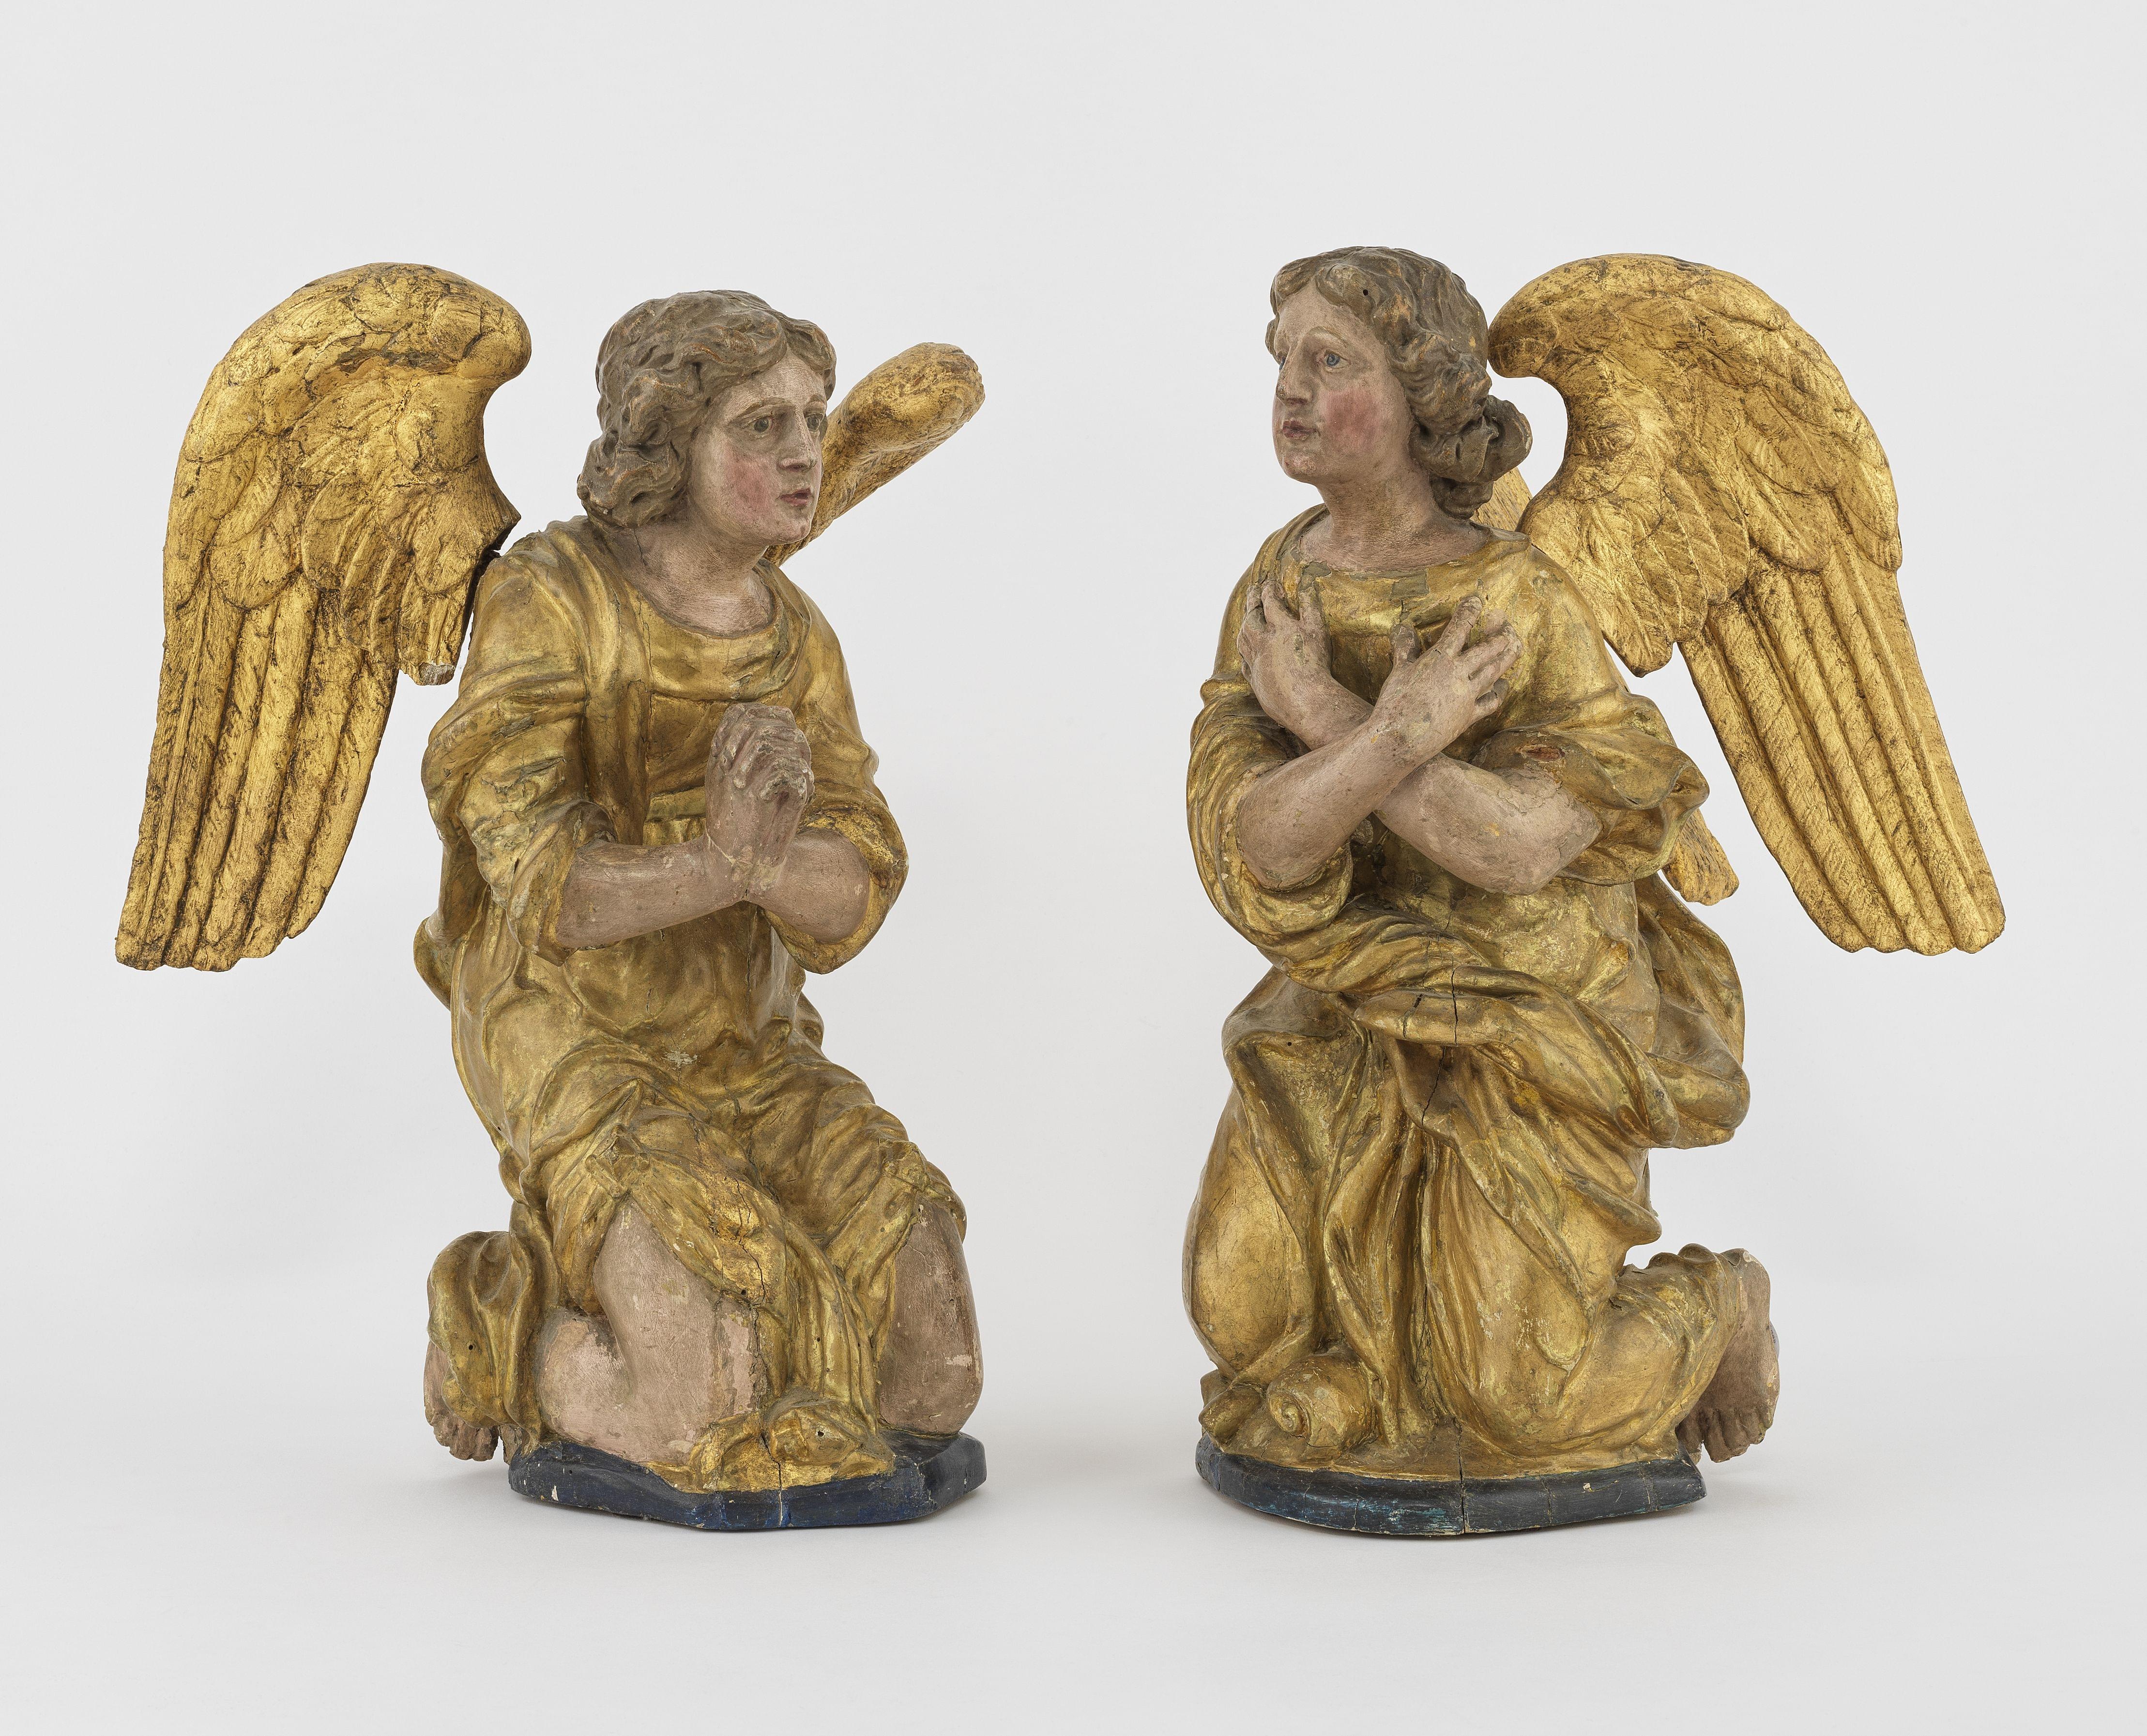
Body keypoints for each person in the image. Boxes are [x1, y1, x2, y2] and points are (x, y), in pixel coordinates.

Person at [1185, 247, 1777, 1480]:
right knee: (1241, 1317)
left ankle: (1713, 1304)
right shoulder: (1280, 579)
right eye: (1281, 359)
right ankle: (1376, 1376)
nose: (1290, 388)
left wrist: (1331, 721)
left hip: (1527, 1012)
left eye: (1329, 361)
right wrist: (1394, 733)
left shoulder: (1516, 594)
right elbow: (1259, 843)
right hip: (1352, 994)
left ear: (1421, 392)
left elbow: (1515, 848)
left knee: (1524, 1396)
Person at [417, 291, 980, 1492]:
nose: (805, 452)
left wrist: (769, 865)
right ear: (667, 445)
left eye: (814, 419)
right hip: (573, 1025)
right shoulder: (553, 596)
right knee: (699, 1407)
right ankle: (498, 1317)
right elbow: (549, 892)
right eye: (761, 425)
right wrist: (721, 865)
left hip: (745, 1035)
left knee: (932, 1372)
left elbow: (854, 893)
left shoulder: (796, 634)